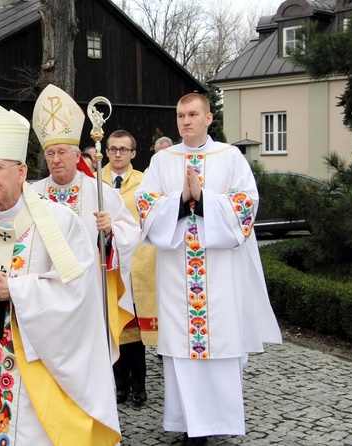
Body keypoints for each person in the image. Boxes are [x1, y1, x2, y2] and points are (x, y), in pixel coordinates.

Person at [0, 96, 121, 445]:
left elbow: (77, 291)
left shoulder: (60, 223)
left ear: (21, 171)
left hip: (37, 363)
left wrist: (13, 290)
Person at [134, 93, 282, 445]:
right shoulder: (163, 160)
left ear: (208, 118)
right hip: (176, 277)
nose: (185, 121)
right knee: (182, 352)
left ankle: (218, 421)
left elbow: (246, 205)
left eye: (192, 114)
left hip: (219, 274)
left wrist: (204, 198)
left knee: (221, 345)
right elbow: (145, 204)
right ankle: (188, 425)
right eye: (181, 115)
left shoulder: (229, 157)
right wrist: (180, 200)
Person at [30, 84, 139, 363]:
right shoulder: (32, 194)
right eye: (50, 154)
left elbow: (131, 232)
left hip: (91, 287)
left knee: (91, 355)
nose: (55, 160)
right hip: (47, 288)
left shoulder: (100, 192)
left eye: (62, 153)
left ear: (77, 156)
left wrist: (110, 231)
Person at [100, 129, 157, 407]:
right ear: (106, 152)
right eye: (113, 149)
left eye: (123, 149)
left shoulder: (144, 182)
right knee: (113, 327)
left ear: (133, 153)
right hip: (107, 264)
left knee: (134, 330)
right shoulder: (95, 182)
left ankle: (139, 386)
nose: (118, 154)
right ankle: (118, 385)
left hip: (136, 264)